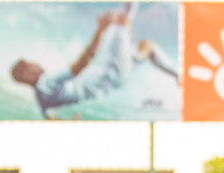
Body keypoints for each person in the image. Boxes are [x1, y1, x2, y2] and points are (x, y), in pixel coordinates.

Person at [10, 3, 179, 119]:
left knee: (147, 46)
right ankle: (179, 75)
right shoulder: (47, 82)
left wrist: (67, 124)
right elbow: (81, 65)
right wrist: (100, 29)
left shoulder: (41, 98)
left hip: (114, 81)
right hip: (109, 71)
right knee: (122, 19)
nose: (37, 65)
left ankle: (179, 77)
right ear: (28, 74)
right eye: (32, 65)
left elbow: (49, 118)